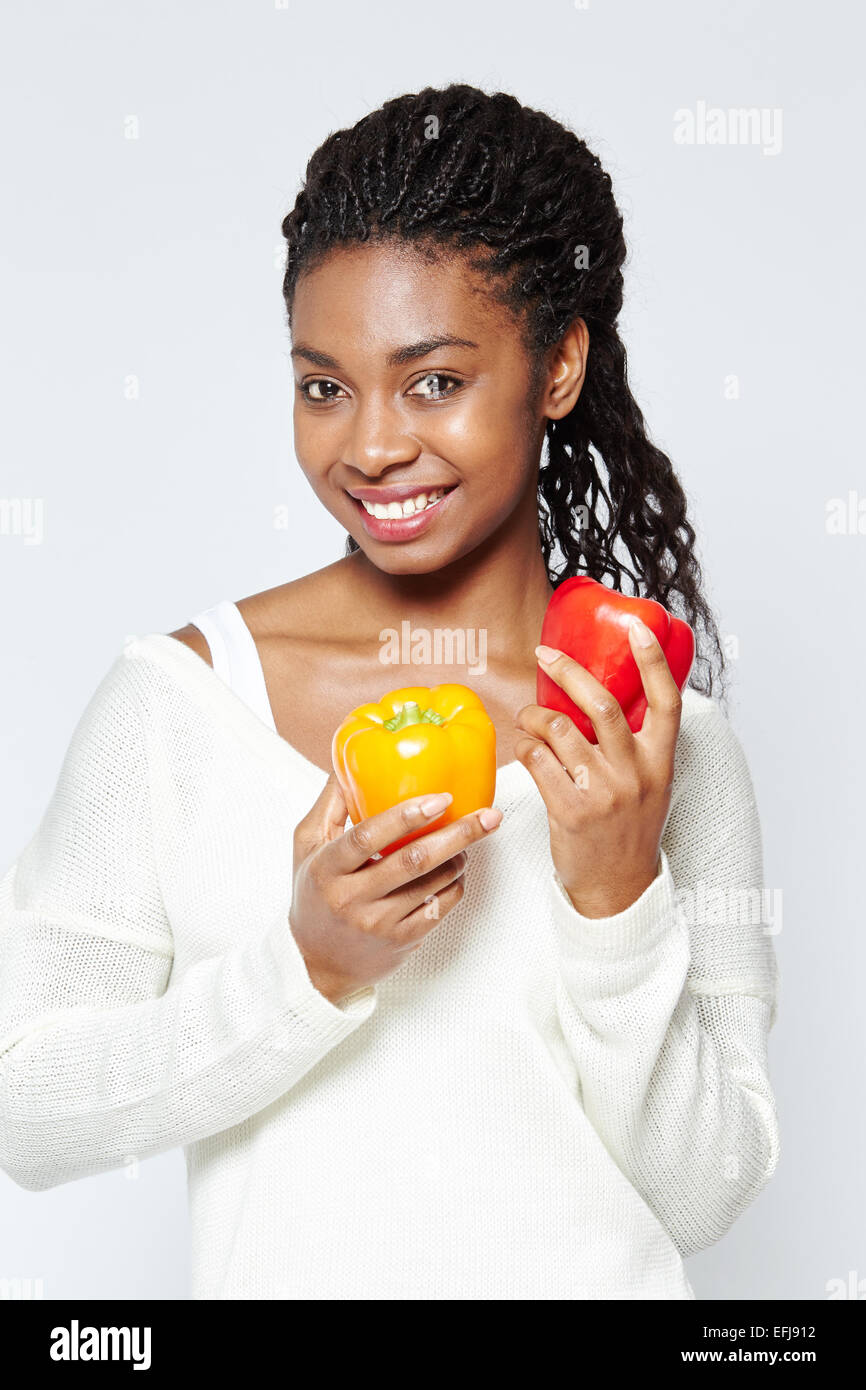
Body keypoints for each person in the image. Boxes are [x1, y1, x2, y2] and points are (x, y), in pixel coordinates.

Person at [0, 83, 779, 1300]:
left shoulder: (660, 742)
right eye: (324, 385)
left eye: (431, 382)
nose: (368, 445)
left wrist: (616, 896)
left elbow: (708, 1192)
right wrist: (304, 966)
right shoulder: (179, 707)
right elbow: (26, 1112)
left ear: (558, 365)